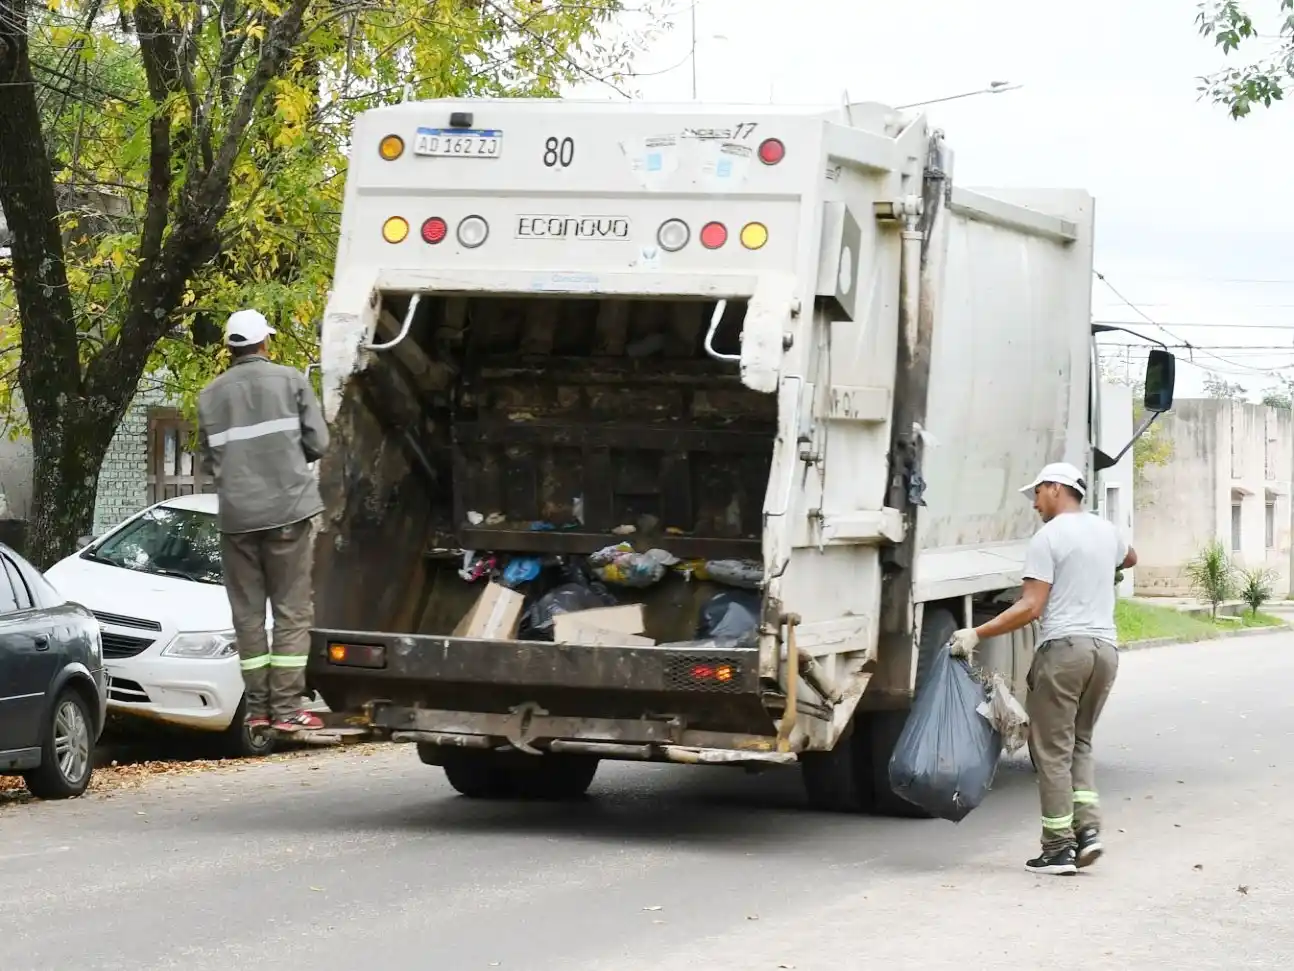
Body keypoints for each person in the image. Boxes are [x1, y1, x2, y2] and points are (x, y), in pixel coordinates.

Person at [948, 461, 1136, 877]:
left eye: (1037, 493)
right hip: (1105, 651)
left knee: (1051, 751)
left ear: (1056, 488)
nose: (1034, 503)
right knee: (1079, 743)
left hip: (1065, 650)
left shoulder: (1048, 537)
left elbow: (1031, 606)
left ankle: (1058, 848)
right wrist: (1098, 571)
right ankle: (1089, 833)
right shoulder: (1107, 531)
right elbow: (1131, 557)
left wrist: (977, 633)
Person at [197, 309, 330, 735]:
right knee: (291, 612)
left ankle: (257, 710)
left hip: (237, 520)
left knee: (248, 618)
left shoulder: (209, 396)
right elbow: (319, 442)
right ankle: (288, 709)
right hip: (288, 511)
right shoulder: (291, 380)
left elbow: (208, 459)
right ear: (264, 343)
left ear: (230, 347)